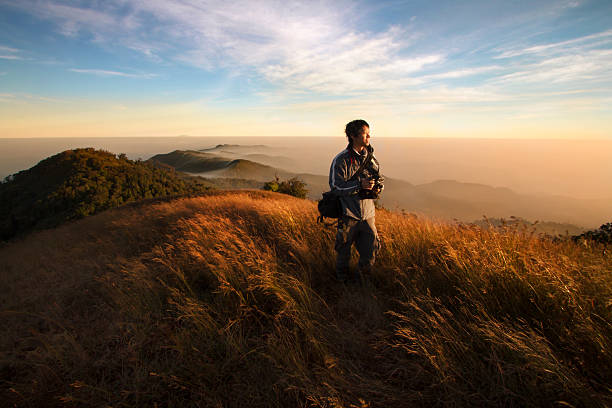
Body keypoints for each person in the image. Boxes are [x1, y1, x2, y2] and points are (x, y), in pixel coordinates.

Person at [329, 119, 383, 284]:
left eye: (368, 133)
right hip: (348, 215)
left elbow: (379, 179)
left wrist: (377, 187)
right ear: (353, 136)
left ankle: (363, 282)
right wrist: (359, 185)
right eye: (365, 134)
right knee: (344, 252)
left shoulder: (370, 158)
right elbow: (336, 187)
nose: (369, 137)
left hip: (368, 215)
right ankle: (342, 284)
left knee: (371, 250)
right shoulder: (341, 160)